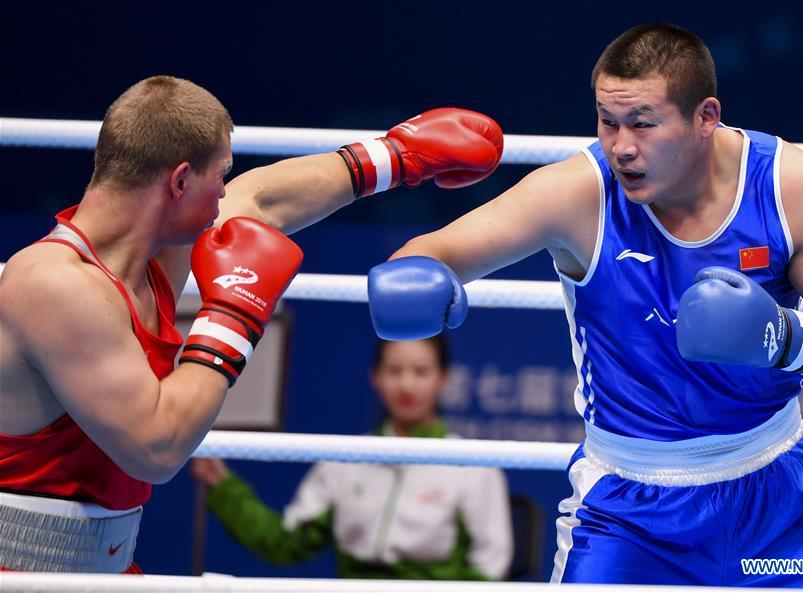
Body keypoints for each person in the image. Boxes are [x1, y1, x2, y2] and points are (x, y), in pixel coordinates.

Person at [364, 23, 803, 589]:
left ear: (706, 117)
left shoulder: (790, 189)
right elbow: (428, 256)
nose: (621, 146)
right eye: (607, 121)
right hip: (629, 512)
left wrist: (783, 338)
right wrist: (418, 278)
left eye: (643, 123)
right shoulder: (578, 194)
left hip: (780, 498)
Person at [0, 75, 503, 573]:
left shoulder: (155, 252)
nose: (224, 193)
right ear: (179, 182)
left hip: (103, 568)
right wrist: (232, 315)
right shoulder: (56, 285)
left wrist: (396, 157)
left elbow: (261, 201)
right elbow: (157, 447)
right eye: (219, 175)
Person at [191, 335, 512, 580]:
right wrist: (224, 488)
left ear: (444, 379)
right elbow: (285, 542)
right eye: (394, 370)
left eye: (421, 371)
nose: (407, 384)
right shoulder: (344, 459)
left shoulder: (472, 464)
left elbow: (490, 570)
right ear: (375, 377)